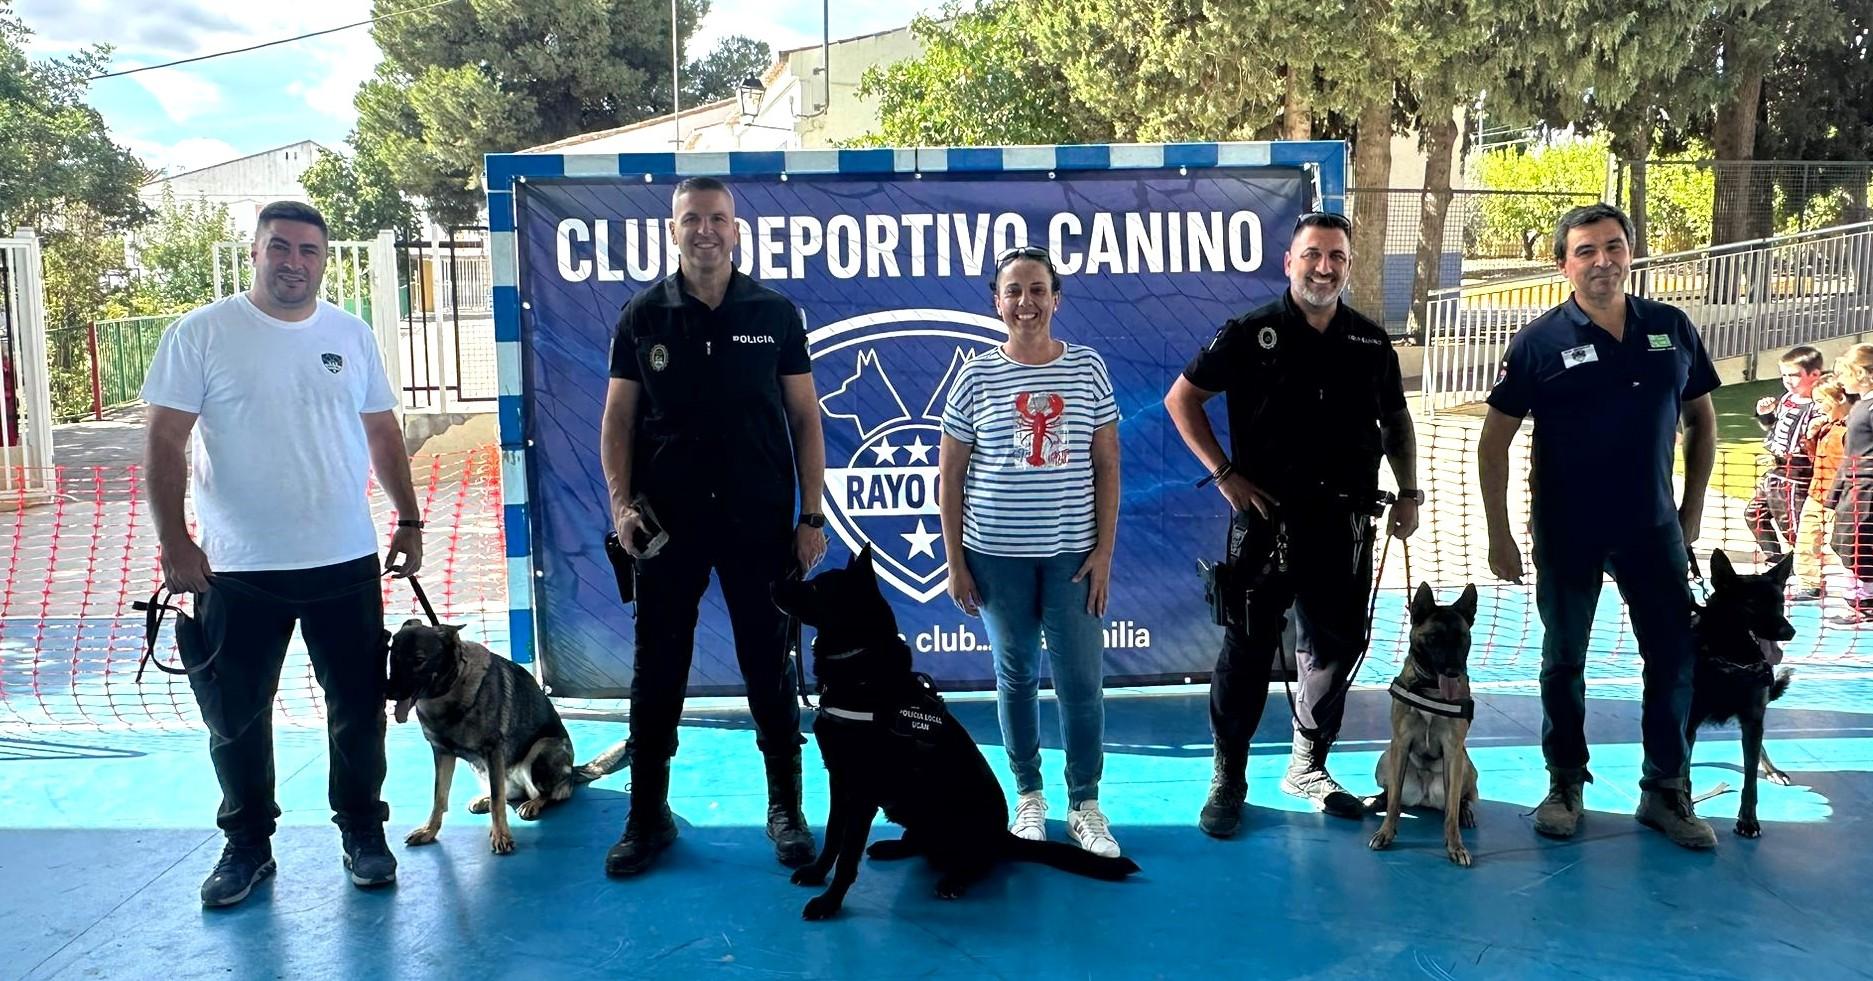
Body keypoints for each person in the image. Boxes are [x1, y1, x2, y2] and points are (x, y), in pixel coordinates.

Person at [141, 200, 421, 907]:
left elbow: (384, 435)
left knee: (356, 706)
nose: (293, 262)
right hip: (237, 568)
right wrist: (175, 539)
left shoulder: (350, 335)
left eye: (307, 250)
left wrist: (409, 519)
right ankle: (248, 844)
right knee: (236, 715)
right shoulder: (201, 333)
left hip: (343, 560)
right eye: (279, 247)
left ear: (324, 259)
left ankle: (362, 829)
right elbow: (164, 441)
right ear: (256, 252)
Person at [1165, 211, 1421, 838]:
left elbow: (1398, 421)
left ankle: (1308, 765)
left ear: (1348, 266)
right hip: (1266, 522)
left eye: (1336, 256)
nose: (1323, 267)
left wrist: (1410, 492)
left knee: (1336, 647)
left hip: (1345, 524)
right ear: (1289, 262)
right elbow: (1182, 399)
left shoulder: (1369, 342)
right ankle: (1229, 775)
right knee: (1247, 650)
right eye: (1312, 255)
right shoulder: (1251, 333)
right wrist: (1224, 474)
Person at [599, 176, 828, 877]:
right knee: (656, 672)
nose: (705, 230)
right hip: (668, 526)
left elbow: (804, 417)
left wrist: (811, 514)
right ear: (672, 230)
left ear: (736, 231)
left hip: (759, 522)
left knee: (768, 664)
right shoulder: (643, 316)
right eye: (692, 218)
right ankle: (647, 817)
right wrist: (621, 504)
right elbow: (617, 420)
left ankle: (785, 810)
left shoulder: (775, 311)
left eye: (718, 219)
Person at [1478, 202, 1721, 849]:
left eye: (1612, 247)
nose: (1601, 261)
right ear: (1562, 263)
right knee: (1563, 661)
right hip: (1566, 531)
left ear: (1629, 253)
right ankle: (1564, 782)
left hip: (1650, 527)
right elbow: (1491, 441)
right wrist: (1500, 533)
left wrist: (1689, 507)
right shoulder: (1536, 342)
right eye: (1584, 250)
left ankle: (1664, 789)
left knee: (1672, 658)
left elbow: (1702, 420)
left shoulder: (1670, 326)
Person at [939, 245, 1124, 857]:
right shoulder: (972, 377)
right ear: (997, 302)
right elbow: (952, 477)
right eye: (1013, 291)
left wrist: (1102, 554)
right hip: (995, 557)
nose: (1026, 302)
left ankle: (1086, 803)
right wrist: (956, 560)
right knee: (1015, 675)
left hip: (1073, 557)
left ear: (1056, 299)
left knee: (1080, 681)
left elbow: (1107, 467)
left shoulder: (1087, 369)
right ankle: (1029, 797)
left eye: (1037, 289)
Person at [1746, 346, 1823, 562]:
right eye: (1784, 375)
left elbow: (1814, 442)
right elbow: (1776, 429)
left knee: (1794, 527)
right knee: (1754, 514)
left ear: (1814, 374)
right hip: (1776, 470)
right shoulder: (1788, 398)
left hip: (1796, 474)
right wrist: (1765, 416)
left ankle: (1805, 571)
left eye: (1794, 375)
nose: (1788, 380)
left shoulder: (1819, 405)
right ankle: (1776, 561)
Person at [1792, 377, 1849, 602]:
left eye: (1821, 401)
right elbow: (1816, 459)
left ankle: (1859, 586)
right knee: (1806, 540)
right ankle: (1809, 584)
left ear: (1839, 400)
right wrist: (1811, 438)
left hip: (1841, 497)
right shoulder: (1827, 426)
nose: (1818, 407)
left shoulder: (1851, 428)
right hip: (1817, 493)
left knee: (1842, 545)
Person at [1828, 346, 1873, 624]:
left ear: (1862, 374)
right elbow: (1851, 452)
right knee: (1845, 541)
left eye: (1845, 373)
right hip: (1855, 484)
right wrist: (1835, 491)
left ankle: (1863, 602)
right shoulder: (1862, 404)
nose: (1840, 380)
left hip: (1867, 487)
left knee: (1858, 542)